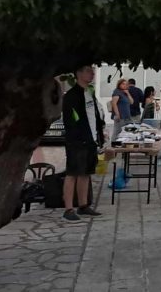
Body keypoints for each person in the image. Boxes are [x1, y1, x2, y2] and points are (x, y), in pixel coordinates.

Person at [60, 65, 104, 221]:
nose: (92, 74)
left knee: (85, 173)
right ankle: (68, 208)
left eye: (92, 71)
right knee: (73, 173)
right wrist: (79, 136)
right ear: (78, 74)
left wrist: (99, 134)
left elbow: (94, 115)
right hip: (77, 141)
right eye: (87, 71)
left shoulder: (89, 92)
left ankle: (83, 205)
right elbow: (71, 120)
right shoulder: (72, 96)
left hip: (91, 139)